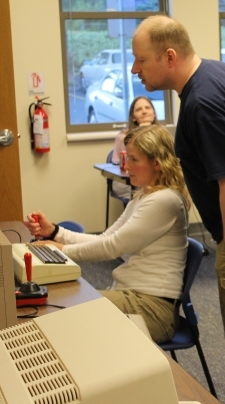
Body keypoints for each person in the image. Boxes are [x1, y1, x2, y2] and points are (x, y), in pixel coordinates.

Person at [130, 16, 225, 372]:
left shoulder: (203, 103)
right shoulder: (218, 72)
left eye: (141, 60)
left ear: (170, 57)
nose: (135, 69)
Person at [25, 125, 191, 344]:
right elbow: (105, 238)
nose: (126, 165)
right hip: (135, 298)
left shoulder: (164, 201)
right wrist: (55, 232)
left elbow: (112, 247)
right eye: (127, 158)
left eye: (134, 159)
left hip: (151, 311)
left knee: (63, 307)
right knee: (62, 304)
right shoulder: (144, 197)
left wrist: (62, 250)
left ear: (157, 163)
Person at [110, 96, 158, 200]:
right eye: (139, 109)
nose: (144, 111)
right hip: (128, 181)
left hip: (152, 179)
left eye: (147, 108)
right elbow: (134, 162)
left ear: (154, 113)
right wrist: (143, 132)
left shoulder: (162, 134)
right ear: (133, 117)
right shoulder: (124, 137)